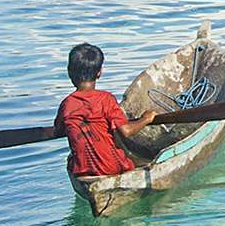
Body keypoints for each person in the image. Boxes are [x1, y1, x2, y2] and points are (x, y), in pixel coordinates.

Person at [56, 43, 157, 181]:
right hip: (113, 168)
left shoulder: (66, 104)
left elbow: (59, 129)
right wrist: (146, 119)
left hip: (82, 172)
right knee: (135, 159)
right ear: (99, 73)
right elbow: (126, 131)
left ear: (69, 72)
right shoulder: (106, 99)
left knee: (72, 159)